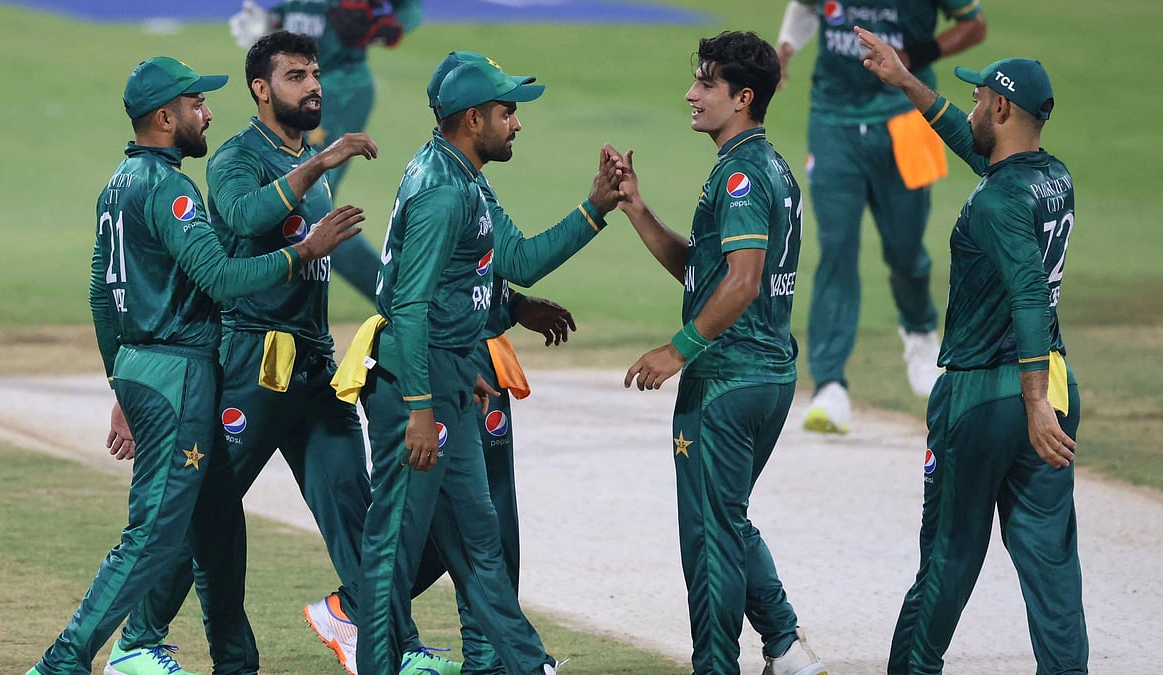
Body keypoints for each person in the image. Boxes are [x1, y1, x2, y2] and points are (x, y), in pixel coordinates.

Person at [26, 55, 362, 675]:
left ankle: (235, 663)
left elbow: (103, 294)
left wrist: (119, 378)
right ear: (164, 117)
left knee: (217, 526)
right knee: (153, 535)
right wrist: (306, 250)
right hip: (178, 372)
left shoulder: (117, 185)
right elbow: (224, 278)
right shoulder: (170, 189)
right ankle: (65, 661)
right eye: (195, 105)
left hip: (149, 368)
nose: (206, 113)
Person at [350, 52, 621, 675]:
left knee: (479, 541)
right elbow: (408, 305)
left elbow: (516, 262)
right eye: (507, 112)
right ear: (473, 119)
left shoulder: (462, 176)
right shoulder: (445, 193)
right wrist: (420, 404)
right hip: (412, 389)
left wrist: (593, 207)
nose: (516, 123)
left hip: (445, 376)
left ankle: (527, 664)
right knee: (393, 548)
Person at [856, 27, 1086, 674]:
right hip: (1056, 386)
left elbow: (1030, 296)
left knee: (948, 559)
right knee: (1051, 564)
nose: (976, 107)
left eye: (981, 98)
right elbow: (976, 143)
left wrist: (1031, 400)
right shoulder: (1050, 178)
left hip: (985, 393)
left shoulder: (996, 200)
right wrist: (907, 83)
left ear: (1005, 110)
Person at [608, 31, 827, 675]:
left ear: (744, 97)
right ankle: (785, 646)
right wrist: (638, 210)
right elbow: (708, 273)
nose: (691, 93)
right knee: (726, 517)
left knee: (708, 538)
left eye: (706, 83)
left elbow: (742, 280)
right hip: (769, 375)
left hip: (728, 381)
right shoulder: (772, 166)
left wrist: (678, 350)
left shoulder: (740, 173)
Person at [775, 0, 986, 433]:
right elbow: (804, 6)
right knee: (836, 249)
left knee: (905, 249)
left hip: (907, 116)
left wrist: (915, 57)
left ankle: (920, 331)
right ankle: (829, 386)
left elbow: (974, 25)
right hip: (833, 120)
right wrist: (785, 48)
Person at [230, 0, 424, 300]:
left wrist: (388, 27)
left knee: (310, 206)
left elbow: (409, 7)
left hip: (341, 87)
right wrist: (272, 19)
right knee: (298, 203)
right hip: (304, 88)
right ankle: (399, 300)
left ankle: (399, 301)